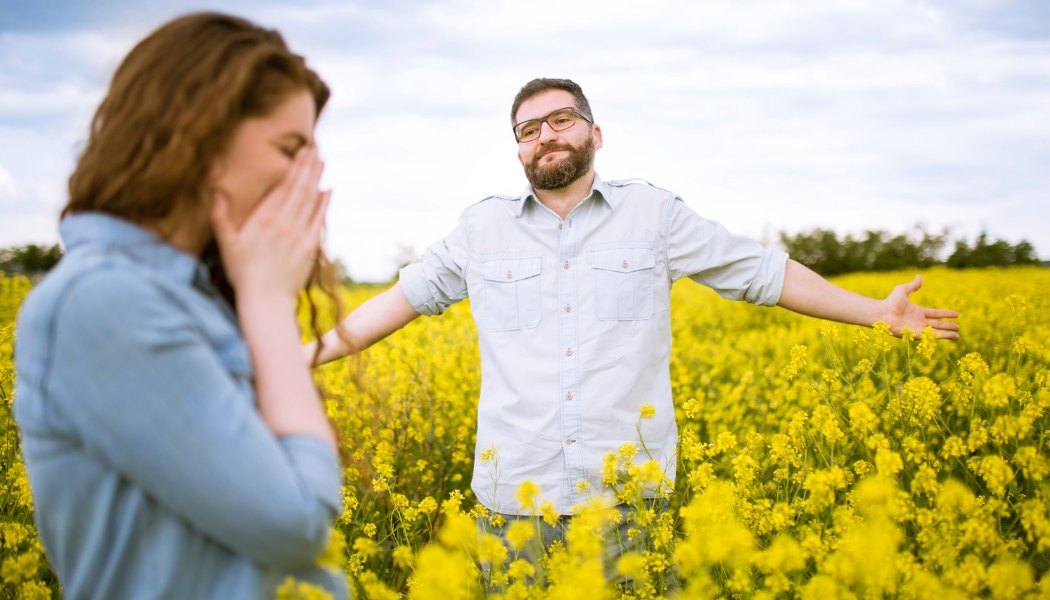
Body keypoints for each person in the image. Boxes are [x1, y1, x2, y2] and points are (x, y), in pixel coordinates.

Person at [307, 78, 959, 520]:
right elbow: (394, 304)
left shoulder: (655, 215)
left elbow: (764, 274)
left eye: (560, 120)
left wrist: (875, 310)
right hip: (511, 507)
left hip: (625, 503)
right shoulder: (479, 232)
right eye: (528, 129)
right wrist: (301, 356)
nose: (545, 136)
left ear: (595, 133)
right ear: (517, 150)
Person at [14, 13, 348, 599]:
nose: (310, 179)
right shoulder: (105, 301)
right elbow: (295, 524)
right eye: (289, 148)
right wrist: (267, 304)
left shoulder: (185, 294)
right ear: (200, 134)